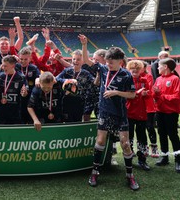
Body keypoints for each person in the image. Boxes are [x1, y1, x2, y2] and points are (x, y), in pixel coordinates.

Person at [79, 34, 139, 190]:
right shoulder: (103, 69)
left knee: (125, 144)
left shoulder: (126, 75)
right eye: (107, 62)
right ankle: (95, 172)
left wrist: (116, 93)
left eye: (111, 63)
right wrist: (84, 45)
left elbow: (132, 94)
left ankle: (130, 176)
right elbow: (86, 61)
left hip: (120, 113)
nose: (108, 65)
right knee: (100, 142)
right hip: (104, 112)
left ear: (120, 62)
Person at [152, 58, 180, 173]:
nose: (157, 68)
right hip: (160, 112)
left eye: (159, 66)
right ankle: (165, 158)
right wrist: (154, 94)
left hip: (171, 113)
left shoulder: (175, 79)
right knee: (162, 135)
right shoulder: (158, 79)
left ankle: (178, 160)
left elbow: (177, 97)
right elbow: (154, 96)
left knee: (173, 136)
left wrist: (160, 95)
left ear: (165, 67)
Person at [56, 49, 94, 122]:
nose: (75, 61)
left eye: (78, 59)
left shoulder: (86, 73)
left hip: (79, 101)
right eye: (74, 59)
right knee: (67, 120)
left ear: (83, 61)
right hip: (66, 100)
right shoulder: (67, 70)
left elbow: (93, 83)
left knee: (77, 120)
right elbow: (57, 78)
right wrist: (67, 80)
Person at [125, 60, 150, 171]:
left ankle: (142, 160)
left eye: (137, 70)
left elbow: (150, 93)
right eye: (132, 70)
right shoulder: (126, 80)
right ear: (129, 70)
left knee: (142, 138)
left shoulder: (144, 80)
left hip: (141, 113)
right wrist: (135, 95)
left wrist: (146, 94)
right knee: (129, 137)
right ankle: (129, 159)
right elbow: (124, 96)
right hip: (129, 112)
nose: (134, 72)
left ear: (140, 70)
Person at [0, 55, 28, 124]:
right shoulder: (1, 77)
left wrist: (24, 94)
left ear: (12, 65)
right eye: (2, 65)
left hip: (16, 112)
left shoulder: (21, 78)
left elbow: (24, 95)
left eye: (5, 66)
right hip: (2, 112)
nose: (3, 68)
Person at [16, 46, 40, 124]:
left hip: (30, 98)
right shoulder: (16, 67)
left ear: (30, 58)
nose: (23, 61)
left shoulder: (34, 68)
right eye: (21, 59)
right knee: (20, 121)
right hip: (19, 98)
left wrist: (37, 79)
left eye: (25, 59)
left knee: (30, 120)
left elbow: (38, 77)